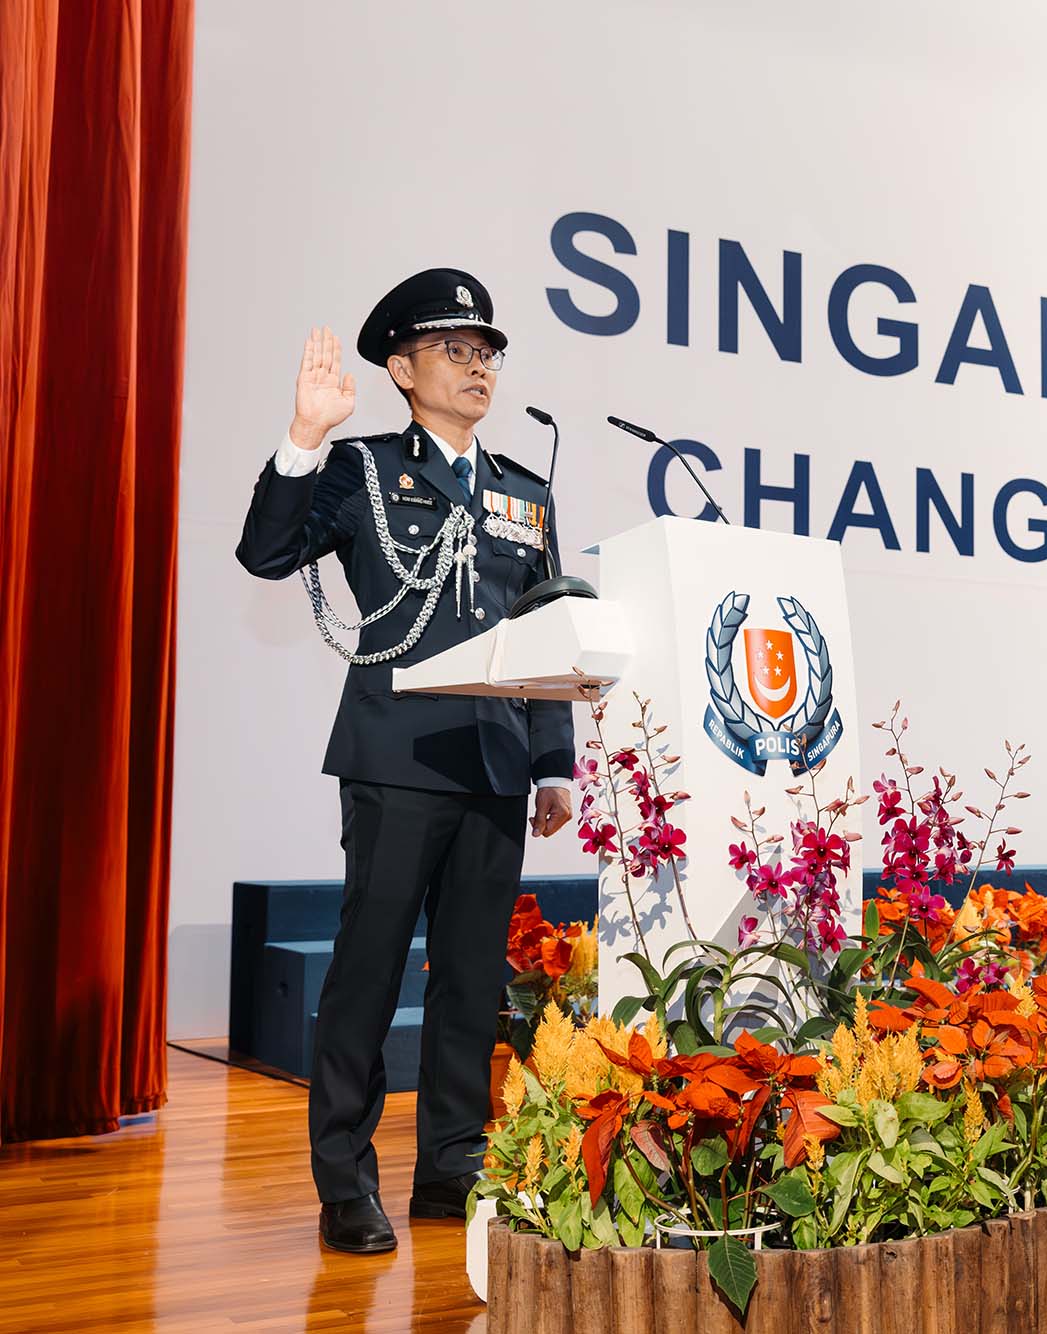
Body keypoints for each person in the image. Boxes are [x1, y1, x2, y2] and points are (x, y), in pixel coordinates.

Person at [236, 269, 575, 1254]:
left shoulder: (525, 490)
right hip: (395, 760)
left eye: (487, 352)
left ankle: (452, 1167)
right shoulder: (363, 469)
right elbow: (266, 553)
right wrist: (302, 439)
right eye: (455, 350)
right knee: (368, 974)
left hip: (494, 765)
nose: (477, 367)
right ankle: (345, 1177)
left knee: (473, 979)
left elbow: (551, 630)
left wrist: (551, 763)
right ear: (400, 366)